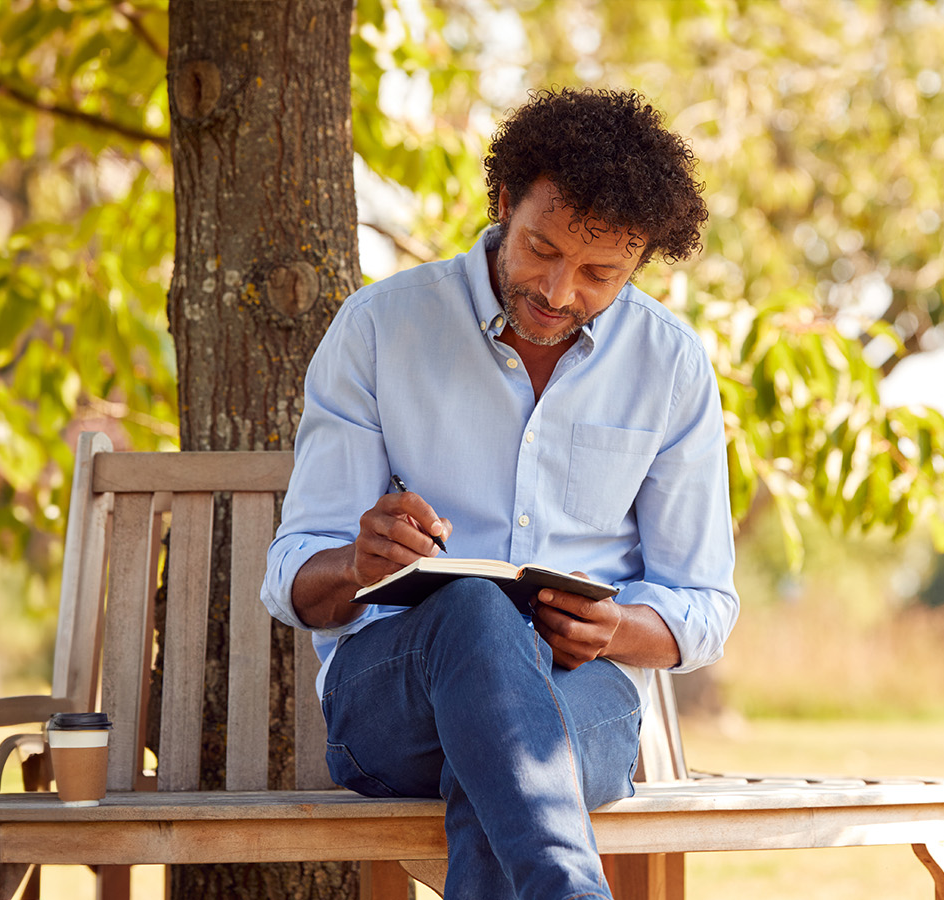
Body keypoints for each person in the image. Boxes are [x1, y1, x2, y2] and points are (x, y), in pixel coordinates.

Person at [260, 87, 738, 900]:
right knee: (475, 611)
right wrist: (355, 562)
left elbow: (704, 604)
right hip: (391, 700)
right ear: (505, 203)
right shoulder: (381, 329)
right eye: (540, 249)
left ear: (641, 259)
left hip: (583, 695)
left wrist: (617, 624)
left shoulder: (669, 365)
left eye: (599, 273)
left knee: (497, 762)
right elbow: (292, 579)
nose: (557, 291)